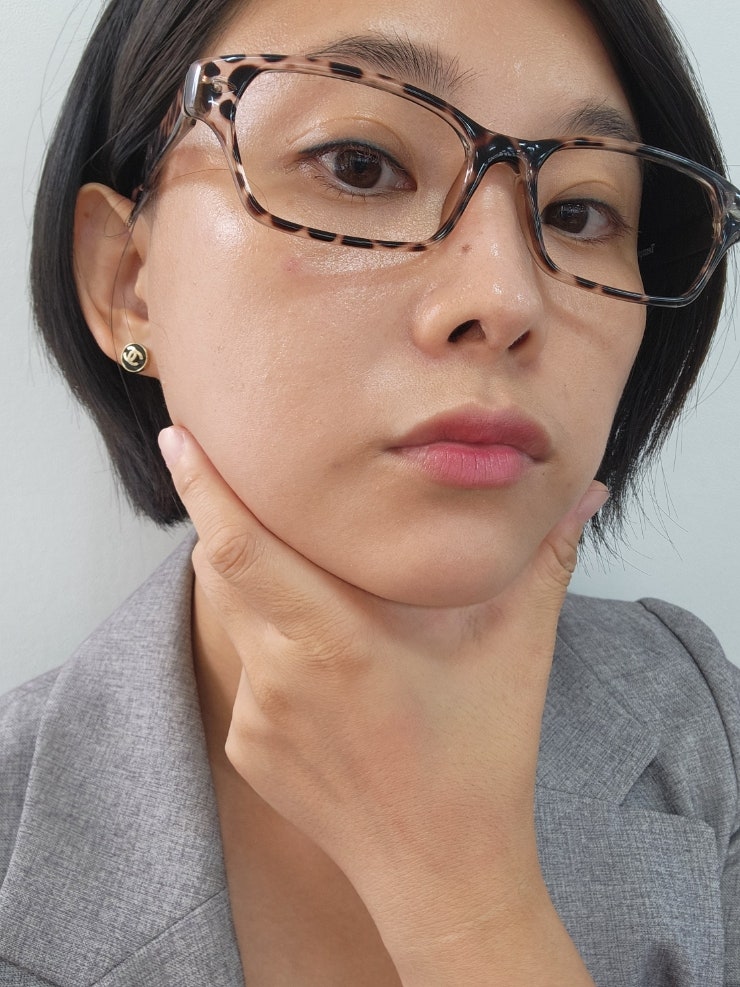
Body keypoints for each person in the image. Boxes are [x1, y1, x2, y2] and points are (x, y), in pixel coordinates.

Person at [1, 0, 739, 983]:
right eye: (359, 165)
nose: (506, 297)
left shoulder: (704, 729)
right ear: (129, 281)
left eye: (577, 213)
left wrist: (466, 900)